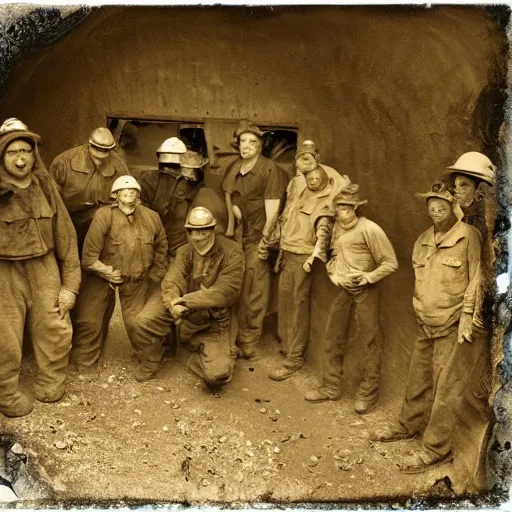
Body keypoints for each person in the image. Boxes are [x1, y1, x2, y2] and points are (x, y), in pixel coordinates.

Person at [371, 183, 483, 473]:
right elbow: (422, 282)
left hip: (452, 325)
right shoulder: (422, 239)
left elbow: (476, 279)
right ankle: (407, 426)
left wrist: (467, 316)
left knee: (447, 389)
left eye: (442, 204)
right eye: (431, 205)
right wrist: (420, 309)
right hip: (425, 323)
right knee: (417, 378)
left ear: (453, 207)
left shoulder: (468, 236)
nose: (435, 209)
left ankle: (435, 450)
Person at [0, 118, 81, 416]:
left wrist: (70, 286)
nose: (20, 159)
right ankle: (6, 394)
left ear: (34, 154)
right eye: (12, 153)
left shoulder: (46, 188)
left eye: (26, 151)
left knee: (55, 327)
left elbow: (67, 238)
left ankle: (51, 383)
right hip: (4, 274)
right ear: (2, 156)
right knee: (4, 336)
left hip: (45, 268)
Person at [304, 184, 398, 414]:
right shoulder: (334, 228)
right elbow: (330, 256)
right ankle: (330, 386)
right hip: (343, 289)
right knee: (332, 335)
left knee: (369, 341)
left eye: (347, 207)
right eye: (339, 206)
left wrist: (368, 277)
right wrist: (334, 274)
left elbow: (390, 263)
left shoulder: (370, 229)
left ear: (356, 208)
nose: (342, 211)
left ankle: (368, 393)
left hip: (365, 290)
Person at [132, 207, 245, 385]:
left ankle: (190, 352)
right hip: (184, 309)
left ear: (213, 229)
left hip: (213, 319)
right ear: (188, 232)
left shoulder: (232, 252)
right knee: (143, 321)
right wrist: (172, 304)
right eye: (194, 231)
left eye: (204, 230)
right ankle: (152, 360)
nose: (199, 237)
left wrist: (185, 302)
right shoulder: (185, 251)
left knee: (217, 375)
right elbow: (172, 281)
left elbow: (225, 292)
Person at [72, 176, 168, 376]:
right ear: (115, 195)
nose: (129, 194)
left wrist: (156, 273)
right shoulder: (104, 216)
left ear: (138, 195)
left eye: (133, 190)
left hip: (137, 278)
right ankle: (86, 363)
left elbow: (161, 245)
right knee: (90, 319)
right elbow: (88, 257)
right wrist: (106, 272)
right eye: (124, 191)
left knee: (138, 323)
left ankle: (149, 359)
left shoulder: (152, 217)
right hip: (102, 275)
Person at [222, 120, 287, 359]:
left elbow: (273, 212)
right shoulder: (234, 167)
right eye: (242, 142)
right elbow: (228, 194)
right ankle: (232, 338)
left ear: (260, 146)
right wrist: (232, 222)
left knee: (255, 289)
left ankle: (249, 340)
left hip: (260, 235)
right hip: (239, 236)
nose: (246, 146)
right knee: (235, 285)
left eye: (252, 142)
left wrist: (265, 243)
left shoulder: (269, 170)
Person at [268, 166, 335, 381]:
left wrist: (312, 258)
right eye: (310, 177)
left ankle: (294, 358)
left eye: (317, 177)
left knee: (298, 306)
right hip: (287, 253)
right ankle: (287, 346)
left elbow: (323, 234)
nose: (313, 180)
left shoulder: (324, 202)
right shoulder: (300, 193)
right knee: (285, 302)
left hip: (302, 259)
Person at [50, 127, 130, 253]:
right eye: (97, 151)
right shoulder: (64, 162)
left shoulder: (118, 165)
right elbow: (52, 196)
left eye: (106, 152)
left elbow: (129, 192)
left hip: (101, 218)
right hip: (68, 217)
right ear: (90, 145)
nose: (101, 158)